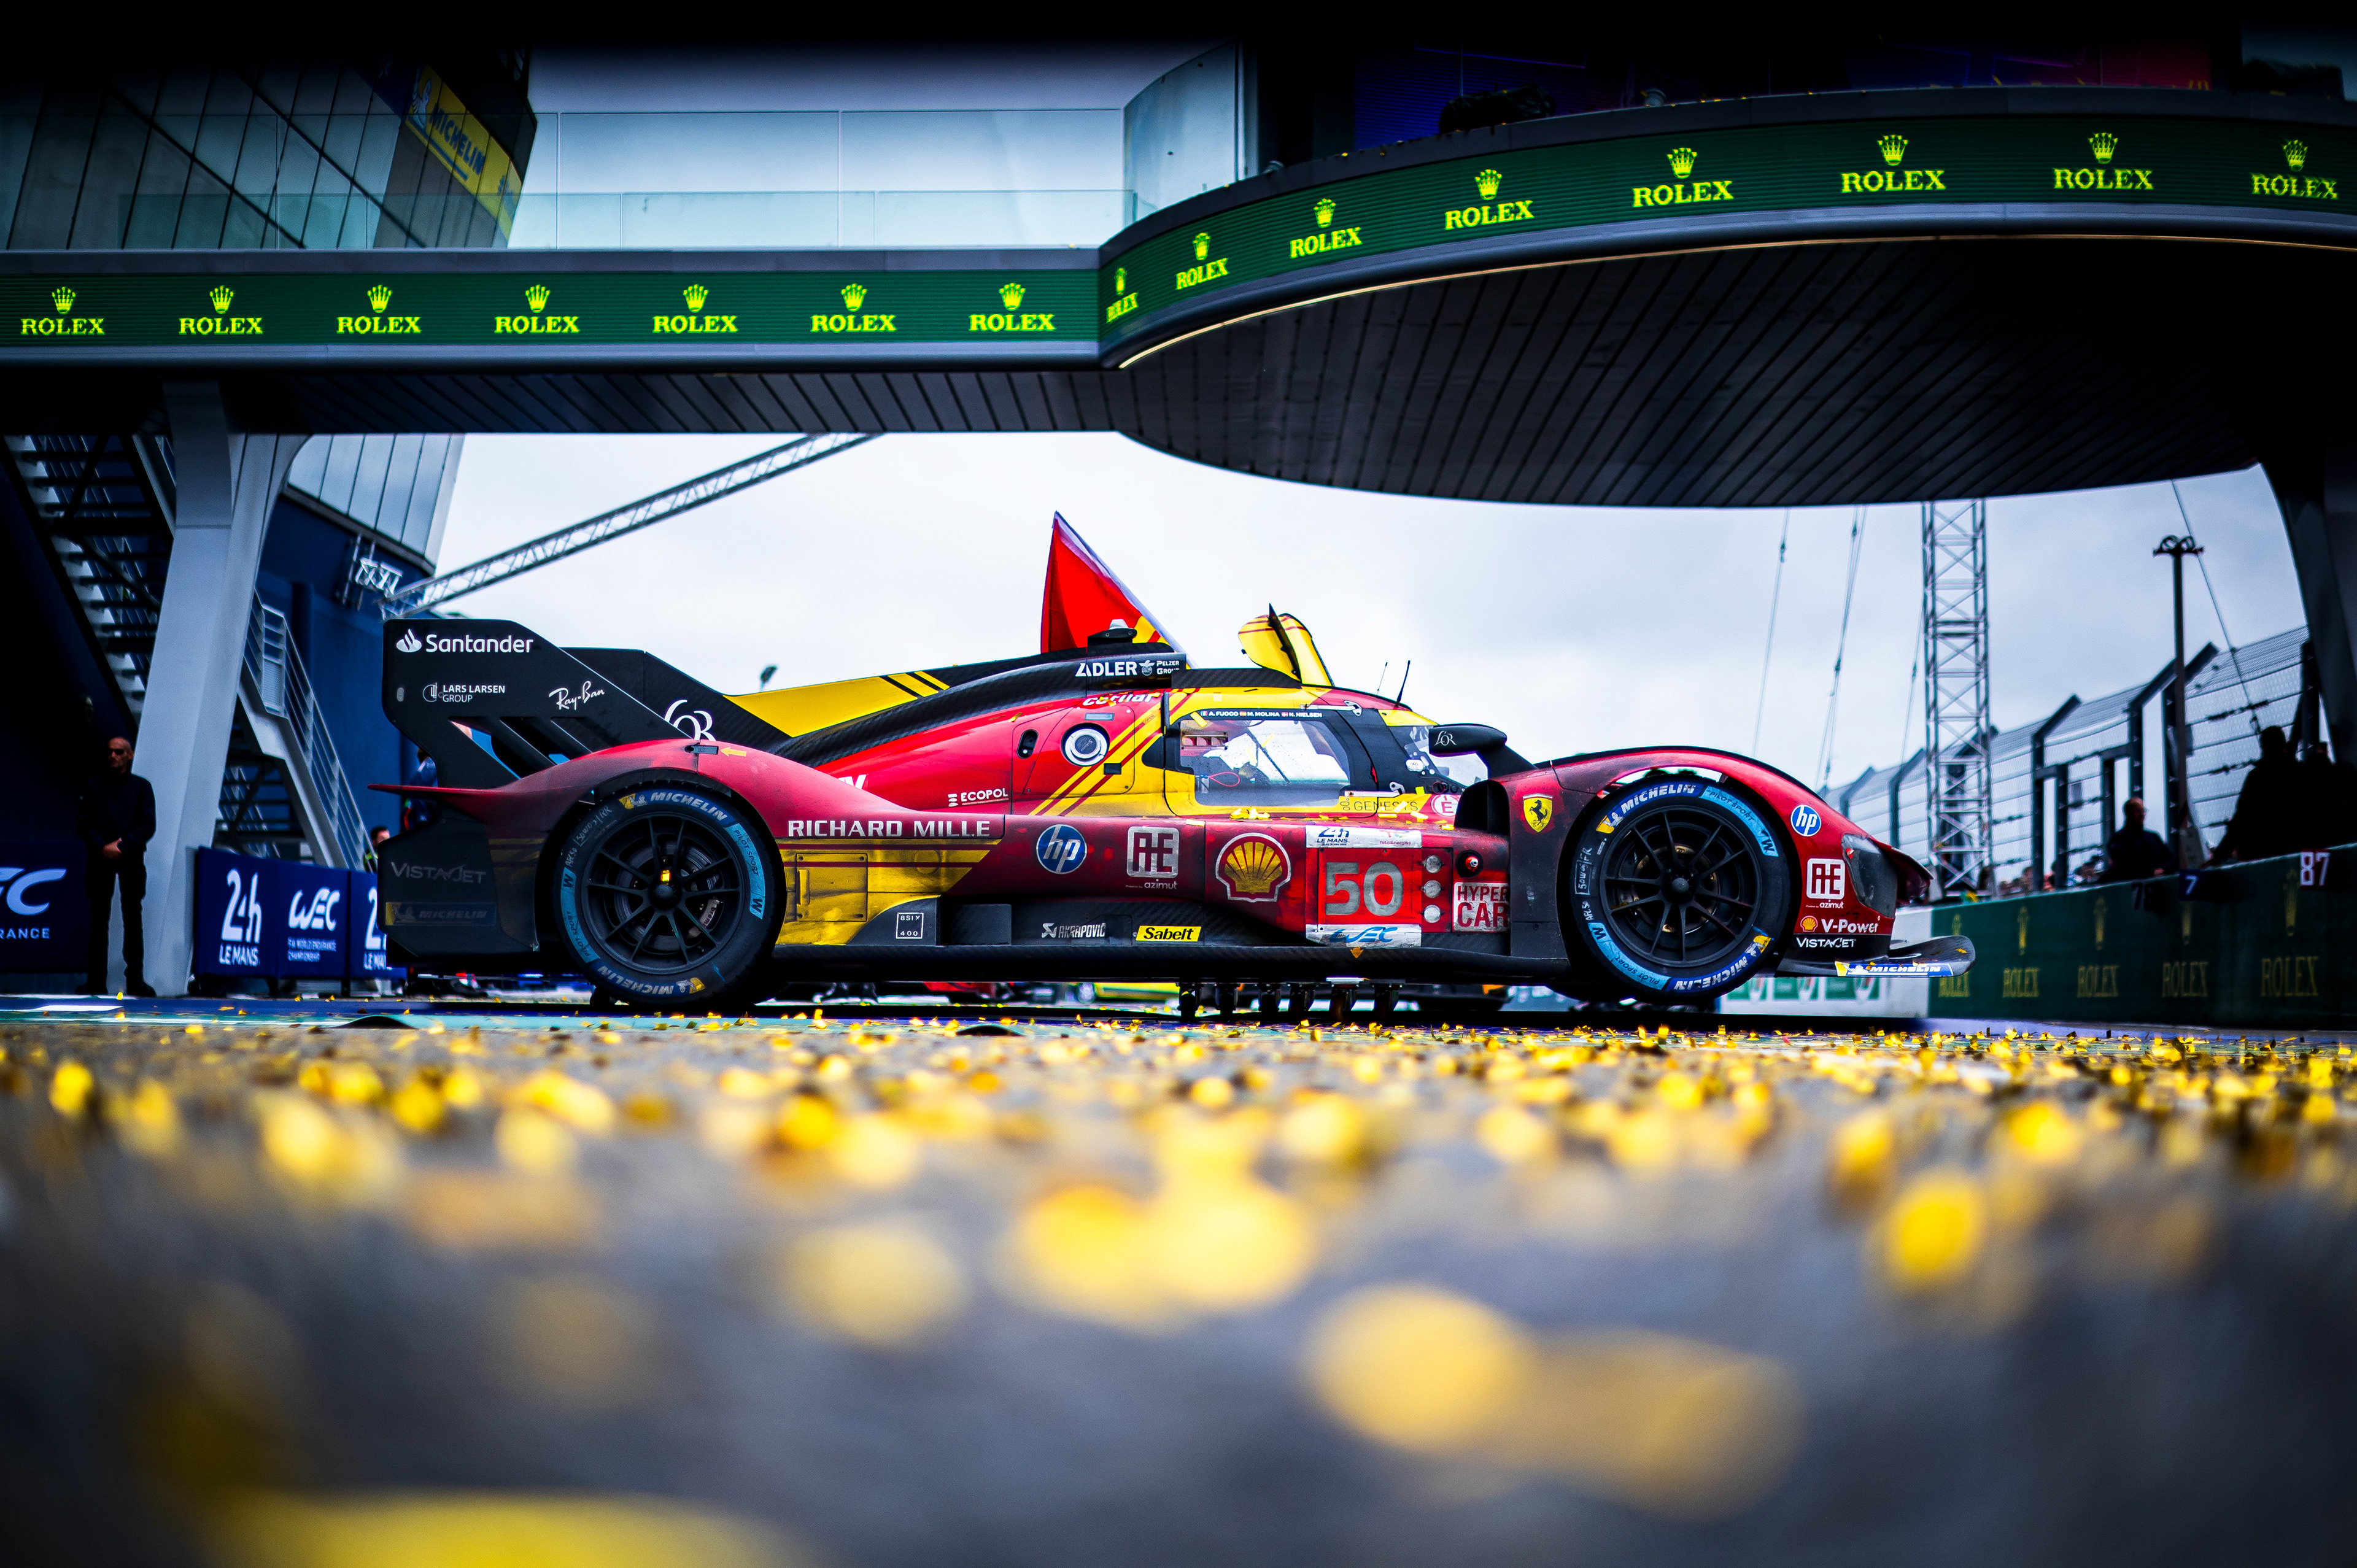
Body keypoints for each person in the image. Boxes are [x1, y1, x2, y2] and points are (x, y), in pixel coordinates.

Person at [77, 735, 156, 996]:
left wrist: (122, 846)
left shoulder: (141, 787)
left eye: (119, 752)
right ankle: (95, 981)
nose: (114, 756)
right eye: (110, 751)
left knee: (133, 918)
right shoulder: (93, 787)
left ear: (130, 755)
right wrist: (103, 846)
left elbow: (148, 825)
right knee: (98, 919)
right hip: (99, 859)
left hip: (131, 859)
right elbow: (84, 822)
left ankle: (135, 979)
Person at [2214, 727, 2301, 862]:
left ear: (2263, 747)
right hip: (2297, 847)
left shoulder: (2257, 777)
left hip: (2265, 850)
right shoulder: (2300, 773)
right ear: (2284, 744)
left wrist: (2221, 854)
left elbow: (2242, 819)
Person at [2099, 797, 2175, 882]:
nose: (2142, 814)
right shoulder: (2120, 839)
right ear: (2129, 813)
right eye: (2138, 811)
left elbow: (2171, 859)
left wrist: (2162, 870)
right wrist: (2155, 872)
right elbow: (2125, 865)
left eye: (2143, 811)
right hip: (2137, 886)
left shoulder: (2153, 837)